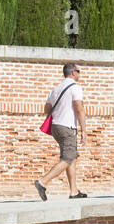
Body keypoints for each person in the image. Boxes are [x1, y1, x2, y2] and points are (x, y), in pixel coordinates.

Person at [34, 62, 87, 200]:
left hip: (56, 126)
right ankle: (43, 182)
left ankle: (74, 191)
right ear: (73, 72)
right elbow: (79, 109)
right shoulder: (75, 88)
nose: (79, 74)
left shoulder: (56, 89)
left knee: (71, 156)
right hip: (67, 126)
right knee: (68, 158)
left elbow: (46, 109)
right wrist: (84, 131)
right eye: (79, 71)